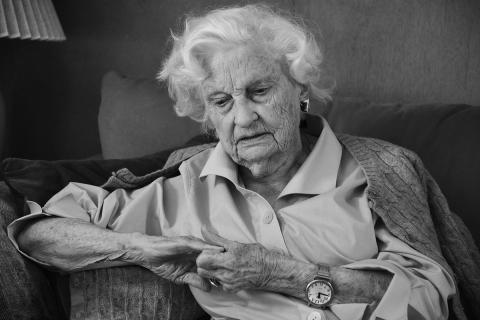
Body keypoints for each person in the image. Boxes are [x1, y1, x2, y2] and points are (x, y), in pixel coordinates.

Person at [8, 4, 456, 320]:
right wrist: (142, 249)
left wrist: (288, 275)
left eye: (259, 92)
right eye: (221, 101)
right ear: (206, 115)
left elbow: (432, 300)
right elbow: (40, 233)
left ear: (299, 90)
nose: (243, 117)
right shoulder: (183, 187)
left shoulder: (379, 173)